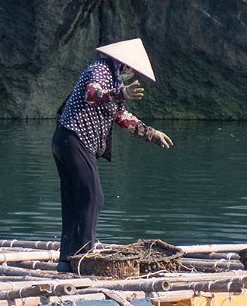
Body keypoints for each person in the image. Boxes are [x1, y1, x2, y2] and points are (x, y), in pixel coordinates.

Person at [52, 38, 173, 270]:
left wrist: (151, 133)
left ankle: (67, 260)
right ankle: (84, 258)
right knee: (92, 197)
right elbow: (92, 93)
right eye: (131, 69)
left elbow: (121, 116)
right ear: (124, 63)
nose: (131, 74)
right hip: (74, 139)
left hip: (68, 140)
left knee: (75, 199)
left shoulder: (113, 80)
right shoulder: (100, 70)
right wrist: (121, 93)